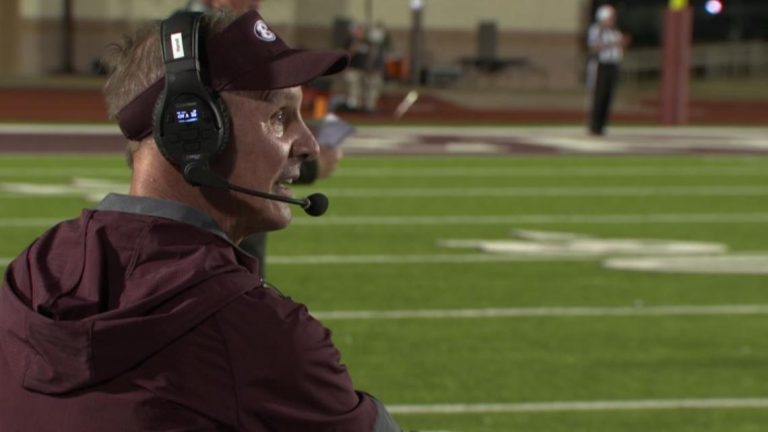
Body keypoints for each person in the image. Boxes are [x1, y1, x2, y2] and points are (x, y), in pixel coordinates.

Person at [0, 10, 400, 432]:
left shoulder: (33, 271)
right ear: (192, 129)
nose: (309, 144)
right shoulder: (257, 334)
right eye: (279, 116)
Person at [586, 4, 628, 136]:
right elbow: (594, 48)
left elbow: (619, 47)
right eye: (610, 17)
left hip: (613, 65)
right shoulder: (596, 30)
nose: (613, 19)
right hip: (601, 66)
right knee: (599, 96)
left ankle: (602, 125)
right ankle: (595, 126)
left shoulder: (614, 31)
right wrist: (613, 44)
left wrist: (622, 43)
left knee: (609, 96)